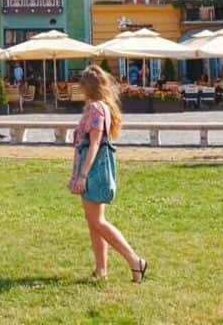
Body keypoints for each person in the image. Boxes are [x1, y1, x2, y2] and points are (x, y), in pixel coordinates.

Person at [68, 64, 147, 283]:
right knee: (94, 221)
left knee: (97, 221)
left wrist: (83, 175)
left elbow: (95, 143)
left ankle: (135, 261)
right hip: (92, 168)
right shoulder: (101, 106)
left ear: (87, 86)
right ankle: (101, 270)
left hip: (93, 169)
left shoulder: (95, 108)